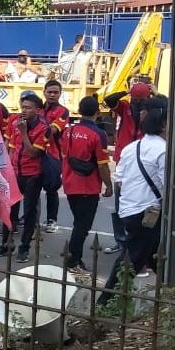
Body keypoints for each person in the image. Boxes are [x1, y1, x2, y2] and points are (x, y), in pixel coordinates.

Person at [0, 92, 49, 263]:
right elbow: (9, 147)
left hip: (33, 175)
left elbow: (33, 153)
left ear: (37, 110)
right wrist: (6, 169)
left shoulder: (43, 129)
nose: (24, 111)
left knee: (29, 212)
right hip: (14, 173)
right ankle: (6, 244)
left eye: (28, 108)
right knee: (10, 210)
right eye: (23, 107)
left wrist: (23, 133)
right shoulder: (14, 120)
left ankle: (24, 247)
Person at [59, 96, 113, 275]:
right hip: (87, 186)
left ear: (80, 111)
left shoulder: (69, 131)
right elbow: (102, 164)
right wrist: (109, 185)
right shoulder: (98, 134)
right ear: (97, 113)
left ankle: (76, 259)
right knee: (83, 226)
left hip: (69, 182)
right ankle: (73, 262)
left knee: (78, 223)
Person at [101, 82, 154, 255]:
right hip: (124, 160)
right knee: (120, 204)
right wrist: (127, 91)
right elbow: (109, 99)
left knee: (139, 205)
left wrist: (156, 93)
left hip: (143, 161)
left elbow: (167, 106)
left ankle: (135, 243)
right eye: (135, 98)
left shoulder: (152, 110)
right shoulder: (124, 108)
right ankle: (121, 241)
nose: (137, 102)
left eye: (141, 98)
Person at [114, 109, 167, 278]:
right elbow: (166, 184)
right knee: (130, 262)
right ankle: (106, 301)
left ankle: (172, 292)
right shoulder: (163, 149)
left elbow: (119, 179)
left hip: (128, 209)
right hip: (148, 212)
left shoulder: (131, 147)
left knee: (152, 255)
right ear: (164, 126)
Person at [41, 80, 70, 233]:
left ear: (60, 93)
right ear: (44, 91)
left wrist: (34, 127)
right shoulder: (38, 107)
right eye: (49, 92)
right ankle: (29, 219)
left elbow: (51, 130)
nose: (52, 95)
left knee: (51, 189)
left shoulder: (63, 111)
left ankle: (52, 220)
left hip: (53, 155)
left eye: (55, 92)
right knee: (31, 189)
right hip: (34, 154)